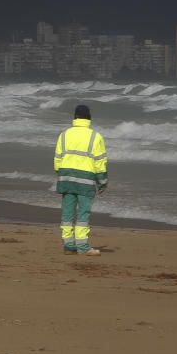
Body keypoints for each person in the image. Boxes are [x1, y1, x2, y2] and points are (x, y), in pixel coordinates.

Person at [54, 104, 108, 255]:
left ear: (75, 117)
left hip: (66, 178)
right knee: (83, 214)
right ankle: (83, 247)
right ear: (89, 118)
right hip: (85, 180)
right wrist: (103, 182)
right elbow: (100, 162)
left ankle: (69, 245)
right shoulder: (96, 137)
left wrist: (61, 175)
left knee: (67, 213)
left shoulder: (64, 134)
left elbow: (58, 159)